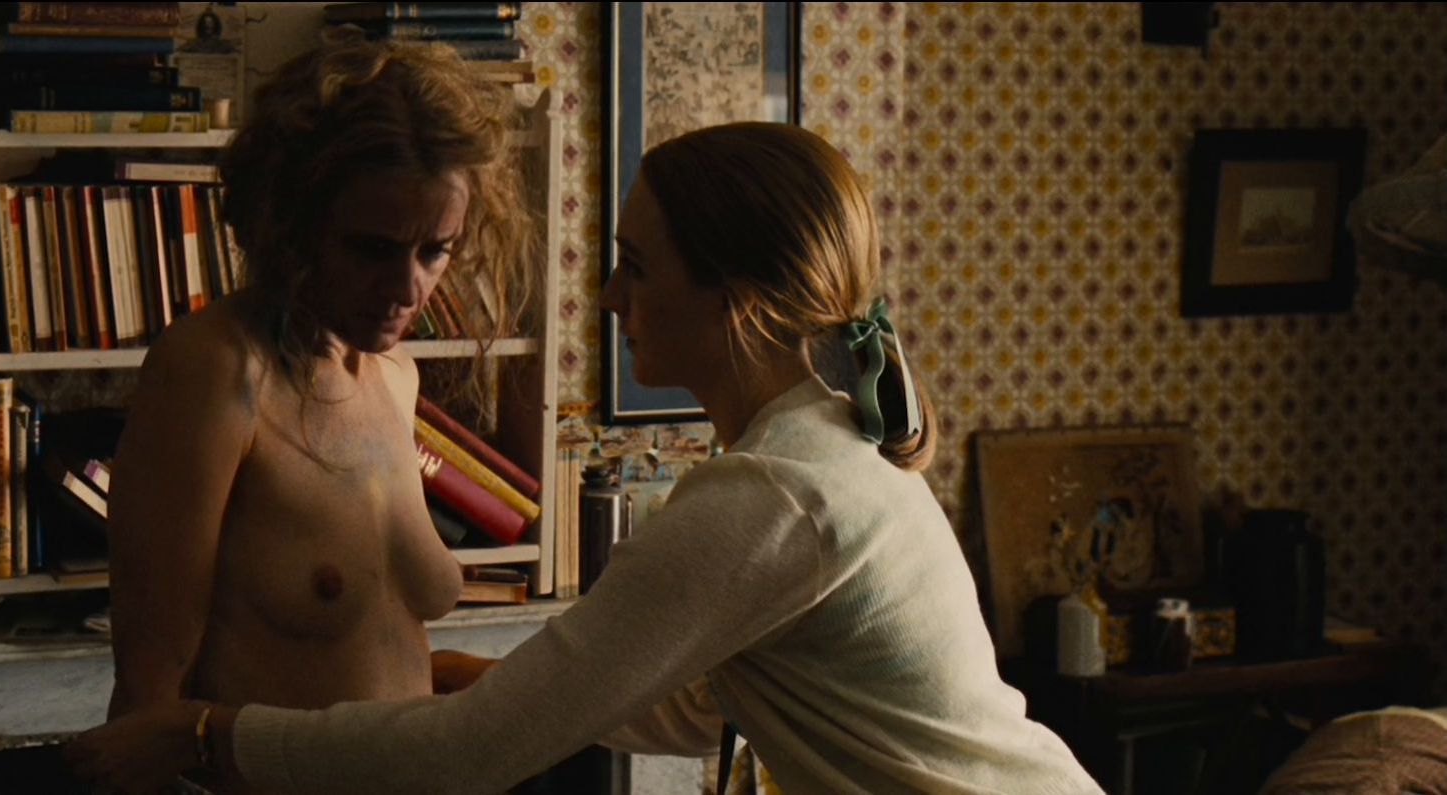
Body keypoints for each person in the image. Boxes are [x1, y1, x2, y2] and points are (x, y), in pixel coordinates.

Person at [71, 122, 1104, 795]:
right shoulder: (824, 448)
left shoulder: (773, 495)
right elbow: (709, 705)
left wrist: (203, 736)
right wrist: (502, 682)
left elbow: (469, 756)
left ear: (735, 302)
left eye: (635, 268)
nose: (609, 299)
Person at [98, 33, 531, 794]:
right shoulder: (215, 371)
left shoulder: (396, 376)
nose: (408, 289)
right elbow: (147, 708)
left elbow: (355, 655)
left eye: (435, 250)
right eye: (372, 248)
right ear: (292, 225)